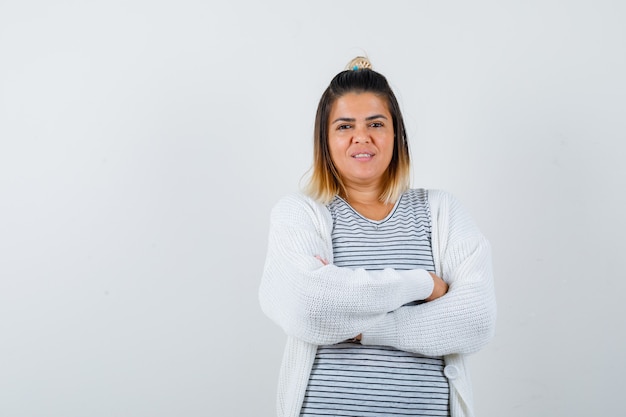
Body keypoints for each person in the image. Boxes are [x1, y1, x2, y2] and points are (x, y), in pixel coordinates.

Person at [259, 56, 496, 417]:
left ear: (396, 133)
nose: (361, 137)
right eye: (344, 126)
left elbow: (475, 321)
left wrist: (360, 326)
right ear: (325, 139)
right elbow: (308, 306)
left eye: (376, 123)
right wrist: (424, 286)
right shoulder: (302, 213)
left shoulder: (441, 212)